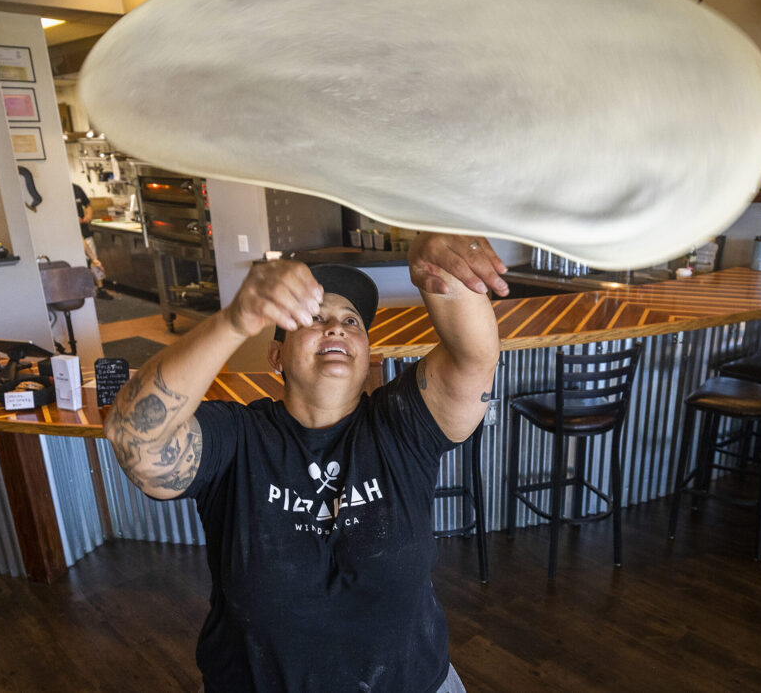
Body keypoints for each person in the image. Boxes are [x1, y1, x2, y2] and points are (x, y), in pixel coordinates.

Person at [104, 232, 509, 693]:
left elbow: (473, 357)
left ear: (366, 356)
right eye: (314, 318)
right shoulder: (238, 438)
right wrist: (236, 319)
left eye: (351, 321)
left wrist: (439, 271)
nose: (336, 327)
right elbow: (135, 440)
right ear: (275, 355)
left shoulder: (401, 425)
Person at [73, 182, 113, 300]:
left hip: (85, 231)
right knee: (80, 263)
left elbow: (88, 205)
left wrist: (88, 216)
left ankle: (101, 288)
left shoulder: (76, 188)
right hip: (73, 234)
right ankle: (82, 292)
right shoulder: (58, 191)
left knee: (94, 261)